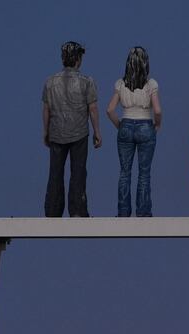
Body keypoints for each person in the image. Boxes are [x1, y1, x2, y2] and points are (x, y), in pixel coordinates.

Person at [42, 41, 102, 217]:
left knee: (55, 172)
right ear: (78, 59)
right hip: (79, 133)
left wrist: (45, 131)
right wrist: (97, 131)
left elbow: (46, 109)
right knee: (78, 172)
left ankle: (52, 210)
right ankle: (77, 210)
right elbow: (93, 108)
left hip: (56, 132)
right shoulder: (87, 82)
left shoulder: (50, 82)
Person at [106, 46, 162, 217]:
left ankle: (123, 212)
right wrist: (157, 125)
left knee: (125, 172)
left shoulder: (120, 84)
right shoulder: (151, 84)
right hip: (146, 125)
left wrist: (120, 126)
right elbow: (158, 110)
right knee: (144, 172)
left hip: (126, 125)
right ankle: (143, 212)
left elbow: (109, 110)